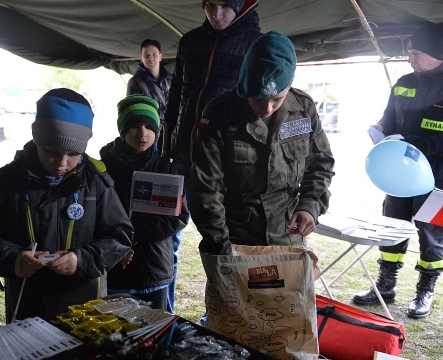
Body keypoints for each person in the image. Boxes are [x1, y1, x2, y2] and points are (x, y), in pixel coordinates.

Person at [0, 88, 133, 322]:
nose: (61, 162)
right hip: (27, 303)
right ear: (37, 140)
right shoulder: (8, 182)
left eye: (73, 153)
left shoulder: (96, 183)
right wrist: (13, 259)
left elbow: (120, 235)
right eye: (51, 151)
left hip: (85, 303)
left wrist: (82, 260)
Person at [352, 23, 443, 319]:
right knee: (391, 227)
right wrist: (381, 128)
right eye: (409, 52)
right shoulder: (404, 81)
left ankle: (425, 290)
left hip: (441, 179)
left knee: (432, 233)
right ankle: (385, 285)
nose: (410, 58)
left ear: (435, 53)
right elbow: (389, 117)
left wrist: (419, 144)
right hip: (397, 176)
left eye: (415, 52)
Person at [191, 30, 335, 254]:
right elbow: (206, 190)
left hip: (287, 238)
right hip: (235, 239)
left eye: (277, 99)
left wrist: (310, 206)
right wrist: (222, 246)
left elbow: (321, 164)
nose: (267, 108)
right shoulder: (219, 115)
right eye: (258, 98)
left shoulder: (303, 108)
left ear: (290, 84)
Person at [162, 0, 261, 312]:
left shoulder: (256, 46)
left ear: (242, 7)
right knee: (164, 240)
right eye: (210, 6)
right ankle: (161, 312)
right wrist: (166, 149)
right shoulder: (189, 42)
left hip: (224, 168)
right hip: (180, 159)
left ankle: (218, 320)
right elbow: (175, 97)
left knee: (222, 247)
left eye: (225, 7)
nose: (217, 15)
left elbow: (262, 111)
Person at [100, 95, 189, 310]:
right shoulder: (103, 168)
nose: (142, 133)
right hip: (114, 266)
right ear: (122, 129)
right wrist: (117, 244)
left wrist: (134, 234)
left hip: (153, 266)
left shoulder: (166, 167)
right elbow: (97, 214)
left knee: (155, 330)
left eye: (149, 126)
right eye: (134, 126)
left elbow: (178, 217)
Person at [126, 39, 172, 123]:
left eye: (154, 54)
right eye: (146, 55)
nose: (150, 58)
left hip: (173, 129)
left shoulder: (171, 79)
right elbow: (135, 112)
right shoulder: (135, 83)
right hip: (151, 129)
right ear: (141, 57)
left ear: (160, 56)